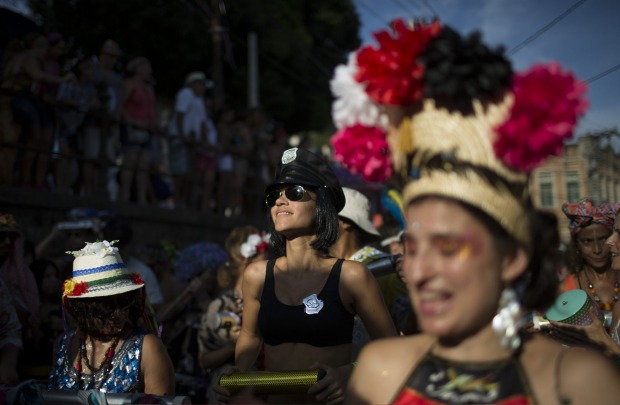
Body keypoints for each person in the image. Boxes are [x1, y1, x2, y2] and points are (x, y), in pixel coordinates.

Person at [333, 19, 620, 404]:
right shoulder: (378, 371)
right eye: (413, 248)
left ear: (512, 257)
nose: (417, 272)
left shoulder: (575, 380)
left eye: (448, 247)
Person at [218, 147, 398, 404]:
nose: (280, 200)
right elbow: (250, 336)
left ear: (321, 204)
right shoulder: (256, 275)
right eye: (274, 195)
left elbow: (391, 349)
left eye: (295, 192)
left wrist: (347, 373)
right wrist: (239, 373)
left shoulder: (351, 276)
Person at [48, 240, 175, 394]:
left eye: (124, 302)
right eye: (106, 307)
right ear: (82, 308)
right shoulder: (64, 345)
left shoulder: (147, 348)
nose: (118, 313)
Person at [198, 225, 268, 403]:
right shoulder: (221, 306)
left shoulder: (269, 301)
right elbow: (204, 360)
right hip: (229, 389)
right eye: (264, 263)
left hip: (264, 387)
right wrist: (236, 344)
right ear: (247, 264)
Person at [167, 71, 217, 210]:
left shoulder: (198, 100)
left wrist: (201, 139)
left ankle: (183, 201)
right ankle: (176, 200)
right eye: (201, 85)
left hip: (192, 142)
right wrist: (182, 134)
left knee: (188, 174)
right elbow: (180, 114)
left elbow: (201, 123)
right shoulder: (186, 93)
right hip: (181, 139)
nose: (203, 89)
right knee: (179, 172)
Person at [118, 56, 158, 204]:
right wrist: (128, 121)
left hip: (147, 129)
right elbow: (122, 104)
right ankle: (124, 195)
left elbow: (152, 109)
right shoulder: (129, 84)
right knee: (130, 161)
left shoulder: (149, 89)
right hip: (132, 127)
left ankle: (141, 198)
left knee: (144, 164)